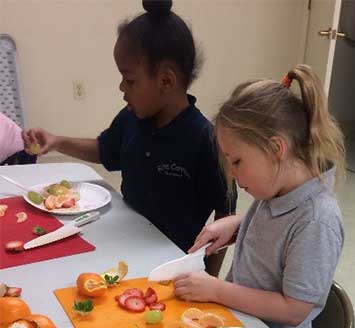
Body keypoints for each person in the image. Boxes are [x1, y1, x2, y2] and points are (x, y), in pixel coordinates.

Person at [22, 0, 233, 272]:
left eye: (130, 80)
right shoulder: (132, 117)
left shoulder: (206, 140)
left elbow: (225, 215)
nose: (122, 87)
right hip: (122, 248)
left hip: (172, 265)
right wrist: (58, 141)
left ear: (166, 81)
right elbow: (105, 149)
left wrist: (211, 281)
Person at [174, 65, 345, 328]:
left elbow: (294, 309)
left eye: (237, 161)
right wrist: (239, 224)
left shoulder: (318, 220)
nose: (231, 174)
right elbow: (279, 231)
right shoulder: (278, 189)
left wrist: (216, 290)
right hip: (240, 327)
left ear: (276, 148)